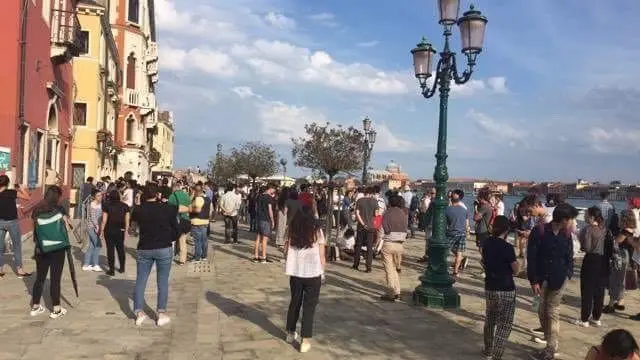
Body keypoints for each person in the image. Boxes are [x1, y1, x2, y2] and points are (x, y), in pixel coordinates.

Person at [527, 203, 579, 360]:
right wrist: (533, 280)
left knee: (553, 311)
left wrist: (568, 273)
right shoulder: (539, 231)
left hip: (559, 279)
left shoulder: (567, 234)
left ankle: (551, 346)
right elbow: (532, 257)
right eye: (570, 219)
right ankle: (550, 340)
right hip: (541, 278)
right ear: (563, 219)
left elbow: (569, 255)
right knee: (541, 310)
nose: (572, 223)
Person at [131, 185, 179, 326]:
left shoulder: (139, 210)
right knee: (162, 281)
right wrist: (170, 238)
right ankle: (161, 313)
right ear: (157, 195)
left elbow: (132, 229)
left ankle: (139, 312)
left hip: (144, 247)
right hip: (163, 247)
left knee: (141, 280)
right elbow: (175, 228)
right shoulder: (167, 208)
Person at [284, 205, 325, 353]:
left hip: (295, 273)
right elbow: (322, 256)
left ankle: (290, 332)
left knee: (294, 302)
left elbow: (285, 252)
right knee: (309, 307)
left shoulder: (291, 230)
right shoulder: (317, 231)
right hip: (313, 273)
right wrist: (323, 272)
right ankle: (305, 340)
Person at [29, 186, 70, 319]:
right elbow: (67, 226)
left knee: (40, 278)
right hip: (57, 248)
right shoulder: (59, 209)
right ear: (57, 196)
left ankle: (35, 306)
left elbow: (35, 228)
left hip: (41, 248)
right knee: (55, 279)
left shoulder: (37, 209)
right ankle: (56, 309)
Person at [482, 216, 519, 360]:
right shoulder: (507, 247)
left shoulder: (487, 243)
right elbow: (515, 269)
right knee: (504, 323)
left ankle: (488, 350)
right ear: (507, 230)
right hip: (506, 288)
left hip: (490, 286)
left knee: (490, 319)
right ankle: (497, 354)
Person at [575, 207, 608, 328]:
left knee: (587, 290)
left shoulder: (588, 229)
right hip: (602, 261)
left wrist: (581, 243)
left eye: (586, 215)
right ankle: (596, 317)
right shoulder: (604, 228)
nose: (584, 217)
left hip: (591, 260)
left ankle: (584, 319)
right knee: (599, 290)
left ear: (592, 217)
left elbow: (587, 248)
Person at [0, 175, 31, 277]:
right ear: (8, 183)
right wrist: (21, 188)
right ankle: (19, 269)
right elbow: (27, 197)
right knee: (17, 246)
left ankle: (0, 269)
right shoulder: (11, 192)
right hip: (12, 222)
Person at [379, 194, 408, 302]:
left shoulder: (387, 213)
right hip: (400, 244)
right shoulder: (403, 213)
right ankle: (397, 291)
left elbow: (384, 229)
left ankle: (390, 293)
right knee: (395, 269)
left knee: (389, 270)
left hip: (389, 243)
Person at [100, 190, 130, 276]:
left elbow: (104, 220)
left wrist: (101, 231)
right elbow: (127, 221)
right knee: (120, 249)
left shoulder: (106, 205)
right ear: (119, 196)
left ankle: (112, 270)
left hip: (109, 230)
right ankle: (122, 268)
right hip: (120, 230)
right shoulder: (125, 206)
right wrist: (126, 232)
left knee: (110, 250)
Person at [446, 189, 470, 278]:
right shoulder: (464, 210)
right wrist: (467, 232)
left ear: (451, 199)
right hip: (462, 233)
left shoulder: (447, 210)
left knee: (446, 251)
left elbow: (445, 223)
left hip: (451, 233)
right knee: (459, 253)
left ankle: (442, 268)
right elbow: (467, 223)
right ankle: (455, 271)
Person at [353, 187, 378, 272]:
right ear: (371, 193)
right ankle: (368, 267)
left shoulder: (359, 201)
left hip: (361, 226)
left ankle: (356, 264)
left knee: (358, 245)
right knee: (369, 247)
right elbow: (376, 214)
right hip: (371, 226)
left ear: (365, 193)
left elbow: (357, 213)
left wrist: (363, 224)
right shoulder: (375, 201)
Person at [167, 181, 191, 265]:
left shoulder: (172, 196)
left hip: (176, 220)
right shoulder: (186, 195)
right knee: (182, 240)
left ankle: (170, 256)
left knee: (172, 239)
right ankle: (182, 260)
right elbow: (190, 207)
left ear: (174, 188)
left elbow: (169, 209)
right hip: (186, 220)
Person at [253, 184, 276, 263]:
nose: (274, 191)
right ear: (271, 189)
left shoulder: (259, 196)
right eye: (274, 189)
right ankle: (263, 257)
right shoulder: (268, 197)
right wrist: (272, 220)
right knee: (265, 239)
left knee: (258, 238)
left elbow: (256, 207)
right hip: (266, 219)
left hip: (259, 218)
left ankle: (256, 256)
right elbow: (270, 210)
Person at [82, 189, 103, 272]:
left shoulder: (101, 204)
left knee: (92, 246)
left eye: (101, 195)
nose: (100, 197)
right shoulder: (92, 205)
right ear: (94, 196)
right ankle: (95, 264)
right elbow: (93, 217)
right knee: (98, 245)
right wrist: (97, 226)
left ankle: (86, 264)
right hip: (92, 227)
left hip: (98, 227)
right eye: (98, 195)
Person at [189, 184, 211, 262]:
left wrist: (190, 209)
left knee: (197, 241)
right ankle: (204, 256)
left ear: (195, 191)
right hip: (205, 222)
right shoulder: (208, 199)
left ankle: (197, 257)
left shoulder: (198, 199)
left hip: (196, 222)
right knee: (204, 240)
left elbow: (198, 210)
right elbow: (211, 211)